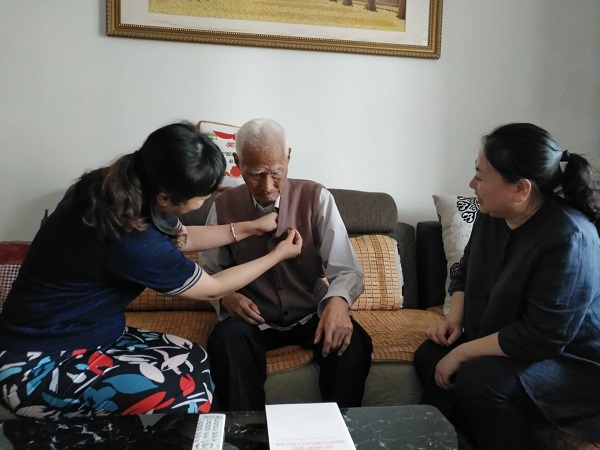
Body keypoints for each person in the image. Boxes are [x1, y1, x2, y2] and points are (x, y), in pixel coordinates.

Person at [0, 121, 302, 418]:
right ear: (166, 199)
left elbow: (183, 237)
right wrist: (276, 255)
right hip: (36, 361)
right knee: (185, 392)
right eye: (203, 196)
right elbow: (213, 288)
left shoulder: (121, 187)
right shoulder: (133, 238)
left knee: (194, 358)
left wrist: (251, 227)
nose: (208, 199)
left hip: (89, 334)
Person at [414, 123, 600, 449]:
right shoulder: (492, 214)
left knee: (478, 379)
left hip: (570, 362)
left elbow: (540, 337)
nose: (472, 184)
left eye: (481, 176)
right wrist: (454, 321)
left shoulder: (570, 237)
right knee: (429, 354)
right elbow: (465, 270)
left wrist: (462, 353)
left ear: (521, 189)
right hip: (509, 342)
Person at [200, 118, 373, 411]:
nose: (268, 186)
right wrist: (226, 296)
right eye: (255, 174)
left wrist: (339, 303)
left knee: (352, 341)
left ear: (289, 157)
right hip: (253, 318)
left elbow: (346, 269)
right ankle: (248, 431)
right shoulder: (223, 206)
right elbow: (209, 271)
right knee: (225, 341)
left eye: (276, 171)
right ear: (238, 163)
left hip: (310, 314)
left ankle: (339, 428)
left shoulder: (317, 198)